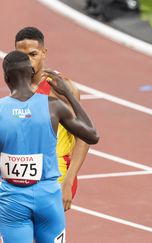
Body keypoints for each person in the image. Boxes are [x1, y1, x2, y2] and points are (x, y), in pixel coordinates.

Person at [0, 51, 99, 243]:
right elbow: (92, 135)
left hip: (13, 200)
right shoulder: (53, 106)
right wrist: (68, 94)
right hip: (48, 198)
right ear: (31, 73)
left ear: (5, 78)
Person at [15, 26, 90, 211]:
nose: (28, 61)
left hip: (56, 174)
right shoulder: (17, 85)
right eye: (22, 56)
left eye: (33, 54)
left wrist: (68, 181)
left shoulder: (61, 88)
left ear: (44, 52)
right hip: (24, 175)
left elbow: (84, 136)